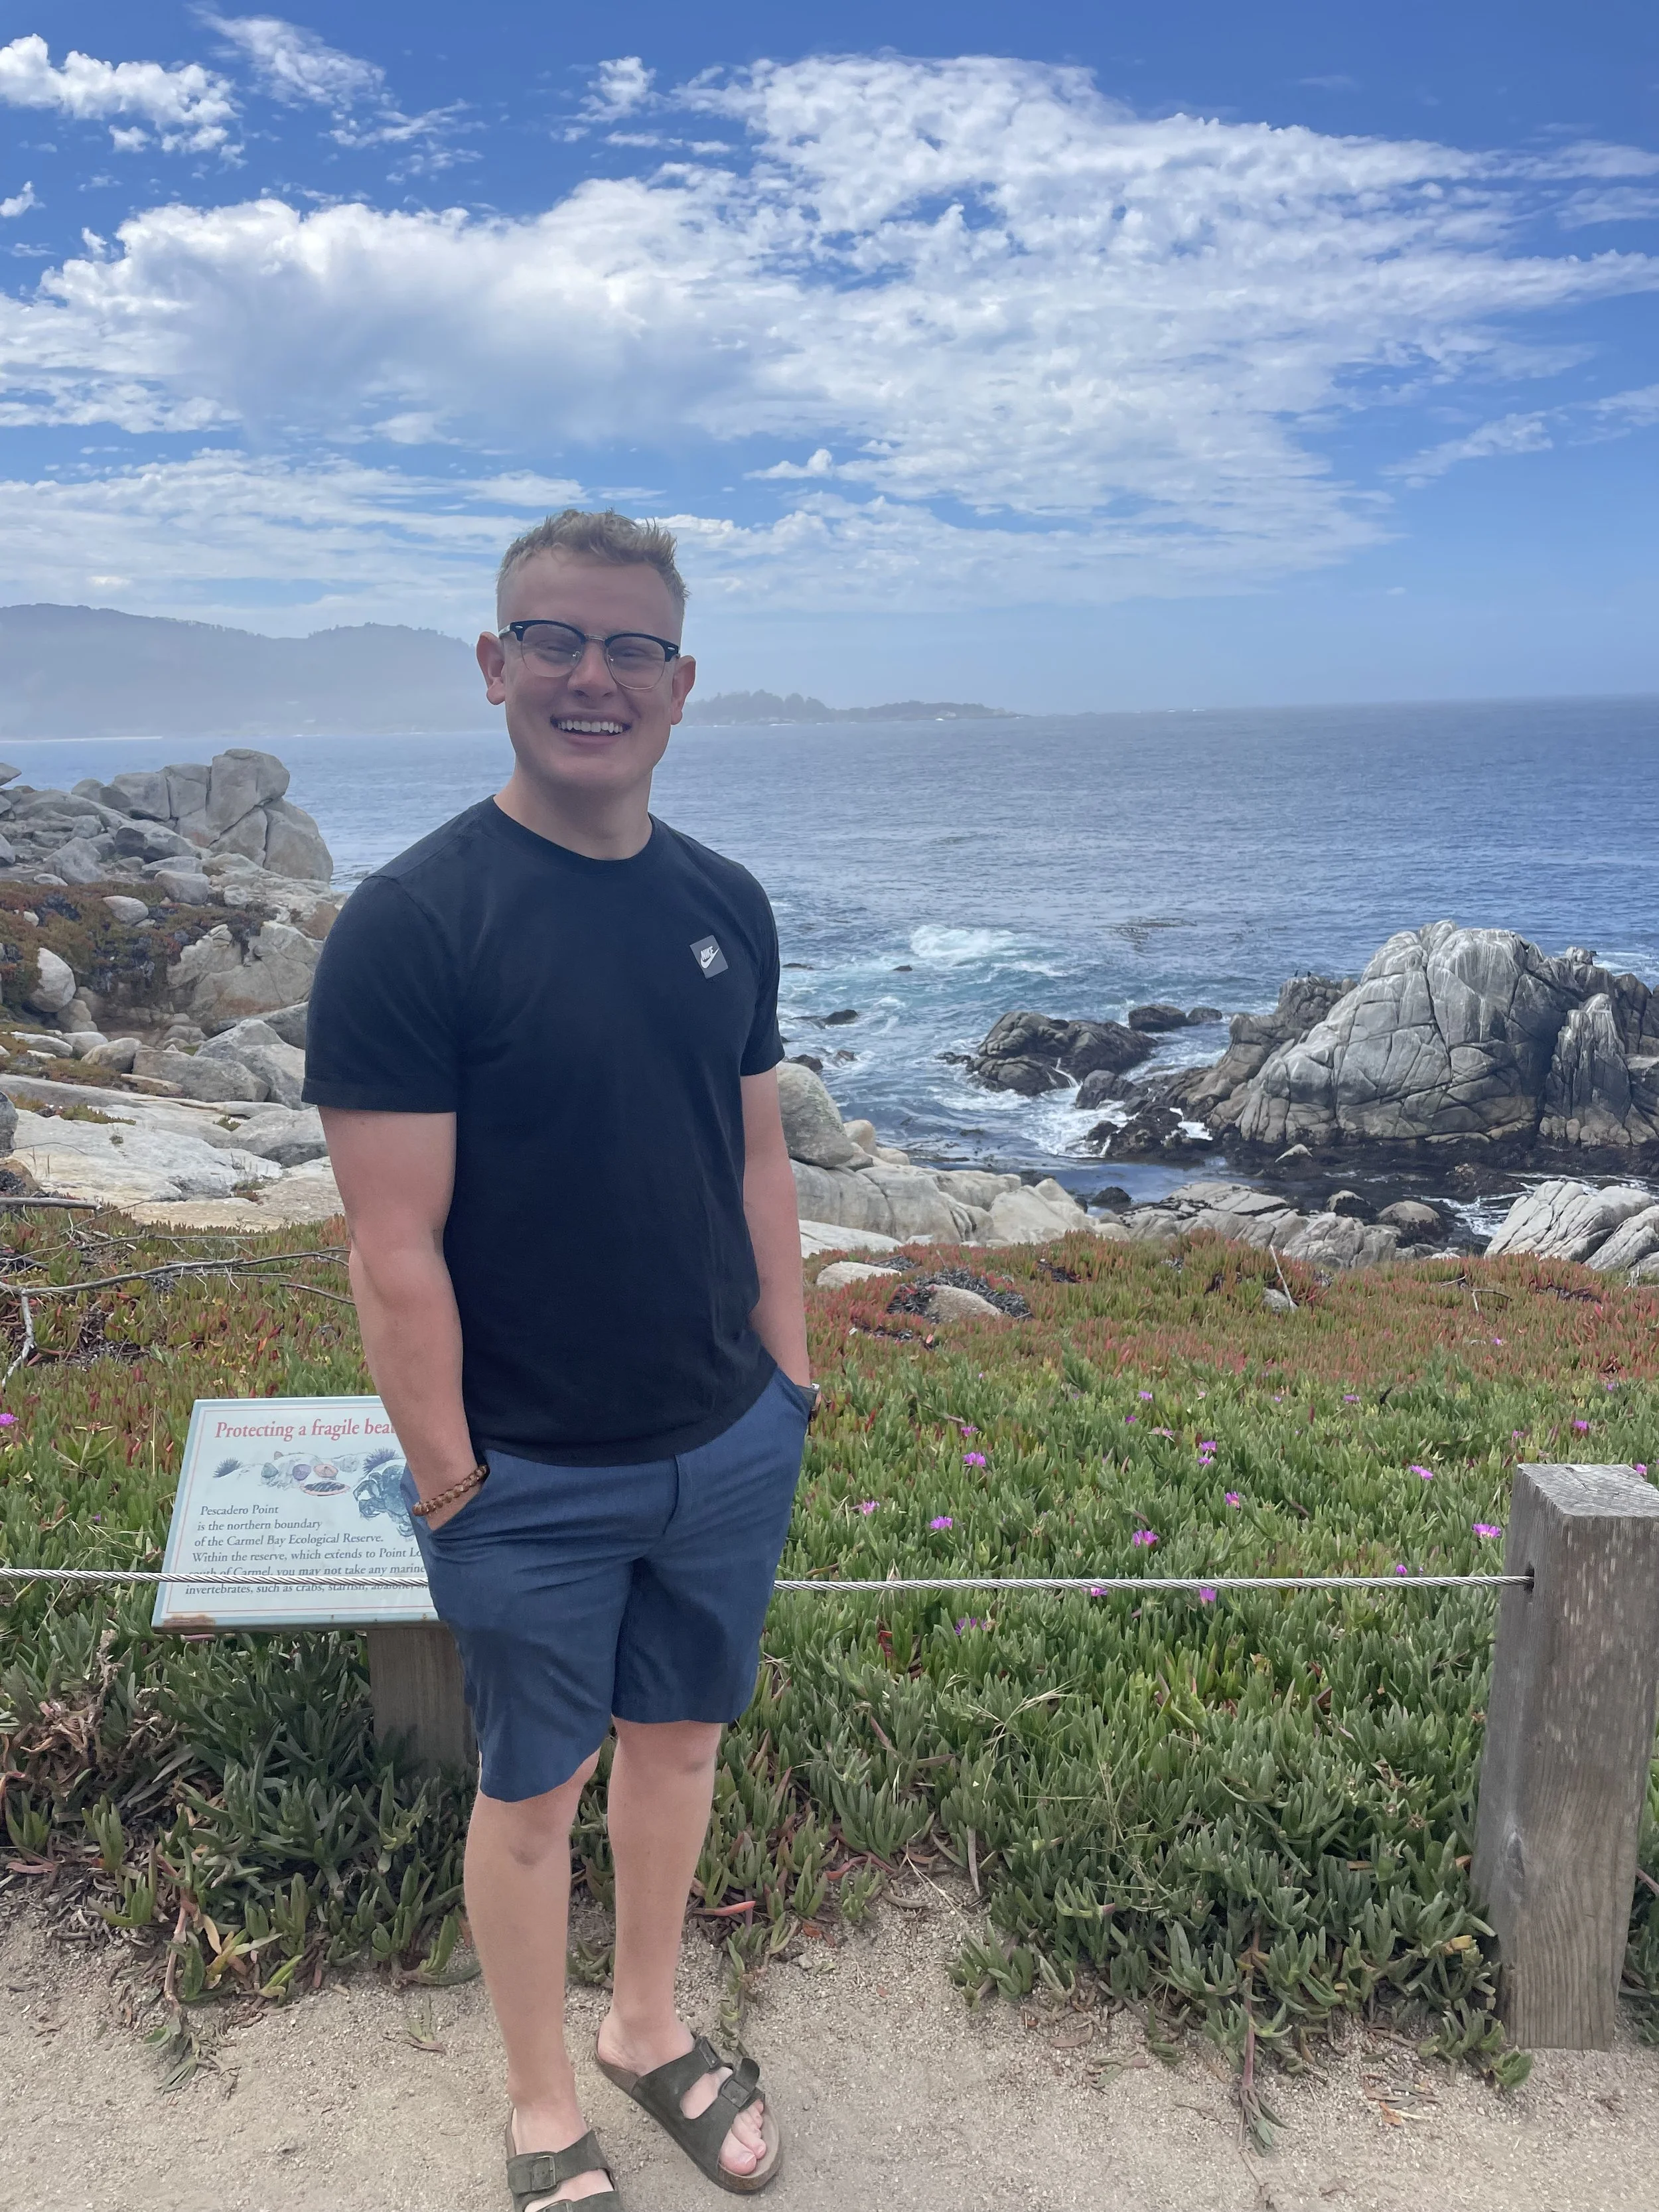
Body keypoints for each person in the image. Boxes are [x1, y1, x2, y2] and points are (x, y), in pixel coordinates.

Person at [303, 509, 813, 2207]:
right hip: (523, 1466)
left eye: (628, 650)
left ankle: (646, 2024)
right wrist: (452, 1480)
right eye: (553, 641)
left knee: (678, 1747)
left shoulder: (724, 902)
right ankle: (540, 2105)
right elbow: (392, 1249)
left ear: (679, 685)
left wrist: (787, 1386)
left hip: (722, 1439)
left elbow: (755, 1161)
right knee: (534, 1789)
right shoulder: (413, 923)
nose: (590, 678)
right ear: (493, 664)